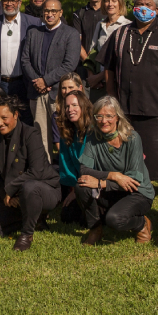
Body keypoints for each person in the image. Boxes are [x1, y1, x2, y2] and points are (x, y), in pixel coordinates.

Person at [103, 0, 158, 207]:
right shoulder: (121, 33)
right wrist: (112, 96)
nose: (143, 8)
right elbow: (109, 69)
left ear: (156, 9)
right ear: (133, 8)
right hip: (128, 105)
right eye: (139, 4)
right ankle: (132, 187)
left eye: (148, 5)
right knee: (130, 151)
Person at [0, 96, 60, 251]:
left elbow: (36, 171)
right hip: (12, 195)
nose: (0, 123)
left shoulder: (31, 134)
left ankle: (26, 233)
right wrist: (5, 195)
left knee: (29, 187)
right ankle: (33, 217)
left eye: (4, 118)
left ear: (15, 115)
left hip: (43, 190)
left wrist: (10, 189)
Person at [75, 96, 155, 245]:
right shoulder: (93, 136)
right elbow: (84, 170)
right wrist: (113, 175)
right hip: (113, 190)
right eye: (99, 116)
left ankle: (142, 224)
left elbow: (134, 180)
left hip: (137, 192)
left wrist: (101, 183)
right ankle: (95, 229)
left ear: (117, 117)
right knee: (82, 185)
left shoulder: (132, 138)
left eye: (109, 116)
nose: (103, 121)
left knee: (114, 219)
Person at [21, 0, 81, 160]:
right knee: (41, 136)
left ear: (60, 13)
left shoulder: (71, 34)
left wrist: (46, 81)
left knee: (63, 135)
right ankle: (45, 170)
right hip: (36, 92)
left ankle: (67, 170)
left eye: (54, 11)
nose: (49, 14)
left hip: (60, 93)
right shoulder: (33, 32)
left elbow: (69, 64)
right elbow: (25, 60)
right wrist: (37, 81)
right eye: (47, 11)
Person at [0, 0, 42, 108]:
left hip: (24, 82)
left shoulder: (34, 23)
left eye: (13, 0)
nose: (9, 4)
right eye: (5, 0)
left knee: (25, 118)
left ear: (19, 2)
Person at [57, 89, 94, 225]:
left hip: (95, 181)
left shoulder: (94, 130)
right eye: (67, 106)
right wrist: (74, 190)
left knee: (86, 221)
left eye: (74, 105)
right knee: (67, 216)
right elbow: (66, 164)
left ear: (83, 106)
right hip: (77, 184)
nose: (70, 109)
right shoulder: (67, 132)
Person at [86, 0, 130, 101]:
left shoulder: (127, 26)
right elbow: (92, 52)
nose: (110, 4)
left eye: (114, 0)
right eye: (107, 1)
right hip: (99, 84)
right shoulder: (100, 25)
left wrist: (99, 77)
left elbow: (123, 59)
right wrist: (91, 77)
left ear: (120, 3)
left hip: (116, 82)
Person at [72, 0, 105, 65]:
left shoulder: (109, 12)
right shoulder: (79, 14)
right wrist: (88, 63)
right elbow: (76, 41)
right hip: (84, 63)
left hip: (105, 65)